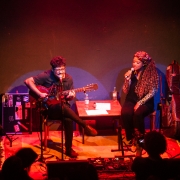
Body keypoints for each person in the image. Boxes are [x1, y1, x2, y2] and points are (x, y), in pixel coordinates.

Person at [24, 56, 97, 158]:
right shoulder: (46, 76)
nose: (61, 72)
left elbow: (69, 98)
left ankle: (68, 149)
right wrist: (40, 93)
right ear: (53, 69)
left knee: (68, 118)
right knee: (63, 108)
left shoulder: (68, 79)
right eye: (58, 70)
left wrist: (71, 96)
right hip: (48, 109)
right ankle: (84, 125)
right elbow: (28, 81)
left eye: (62, 70)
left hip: (63, 108)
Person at [121, 51, 159, 144]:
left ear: (144, 64)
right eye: (133, 62)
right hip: (131, 99)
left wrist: (140, 102)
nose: (134, 64)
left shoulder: (151, 74)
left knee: (138, 114)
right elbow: (125, 91)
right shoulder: (132, 73)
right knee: (125, 113)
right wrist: (126, 80)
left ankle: (141, 139)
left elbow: (152, 91)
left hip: (146, 102)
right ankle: (130, 138)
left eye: (137, 63)